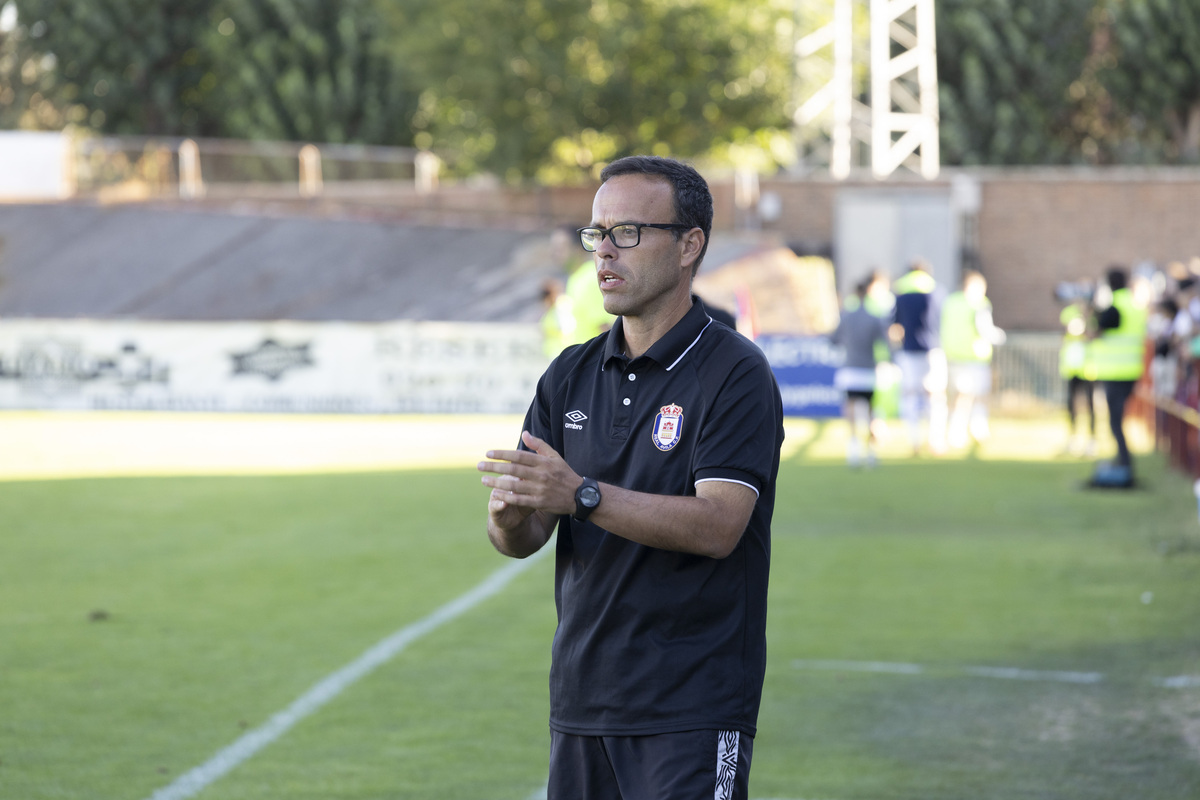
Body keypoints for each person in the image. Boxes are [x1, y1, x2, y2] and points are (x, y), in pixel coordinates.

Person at [478, 156, 784, 800]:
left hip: (693, 708)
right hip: (583, 703)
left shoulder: (735, 372)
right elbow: (527, 533)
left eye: (628, 232)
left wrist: (582, 495)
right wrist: (510, 517)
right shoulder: (569, 373)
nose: (604, 252)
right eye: (597, 233)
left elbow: (720, 525)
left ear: (688, 246)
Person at [1090, 265, 1148, 485]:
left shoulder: (1115, 306)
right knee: (1118, 420)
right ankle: (1121, 461)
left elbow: (1096, 332)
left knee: (1115, 421)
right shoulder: (1133, 305)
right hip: (1131, 370)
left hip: (1116, 372)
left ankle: (1125, 465)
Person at [939, 270, 1006, 450]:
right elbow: (984, 329)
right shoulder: (978, 304)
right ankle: (972, 430)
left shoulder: (951, 302)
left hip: (953, 355)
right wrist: (999, 337)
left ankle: (961, 430)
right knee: (972, 396)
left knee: (959, 396)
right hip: (974, 357)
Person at [831, 277, 892, 467]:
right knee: (871, 411)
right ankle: (872, 452)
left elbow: (833, 339)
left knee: (850, 408)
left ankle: (853, 448)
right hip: (867, 369)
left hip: (850, 368)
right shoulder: (875, 317)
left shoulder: (846, 316)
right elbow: (885, 343)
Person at [890, 258, 945, 455]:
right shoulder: (936, 291)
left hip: (909, 351)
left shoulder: (901, 293)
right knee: (935, 396)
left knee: (910, 396)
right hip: (932, 349)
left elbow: (895, 326)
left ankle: (914, 440)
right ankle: (935, 441)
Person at [1058, 288, 1098, 457]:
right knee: (1071, 403)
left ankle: (1092, 439)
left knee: (1090, 404)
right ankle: (1073, 437)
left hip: (1088, 367)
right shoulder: (1070, 312)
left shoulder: (1093, 315)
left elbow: (1092, 334)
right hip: (1072, 365)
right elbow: (1071, 329)